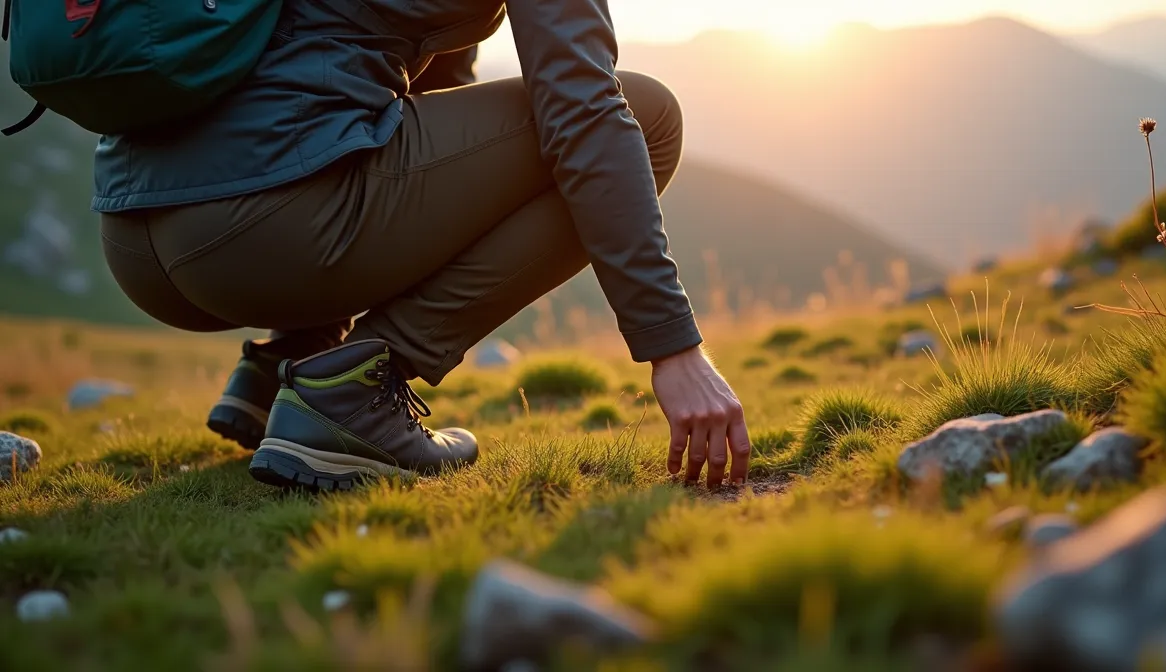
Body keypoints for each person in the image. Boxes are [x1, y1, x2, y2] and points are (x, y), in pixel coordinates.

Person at [92, 0, 753, 492]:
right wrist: (673, 346)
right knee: (648, 117)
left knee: (342, 115)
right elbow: (583, 108)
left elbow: (426, 99)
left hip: (134, 233)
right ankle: (352, 391)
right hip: (266, 233)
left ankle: (288, 363)